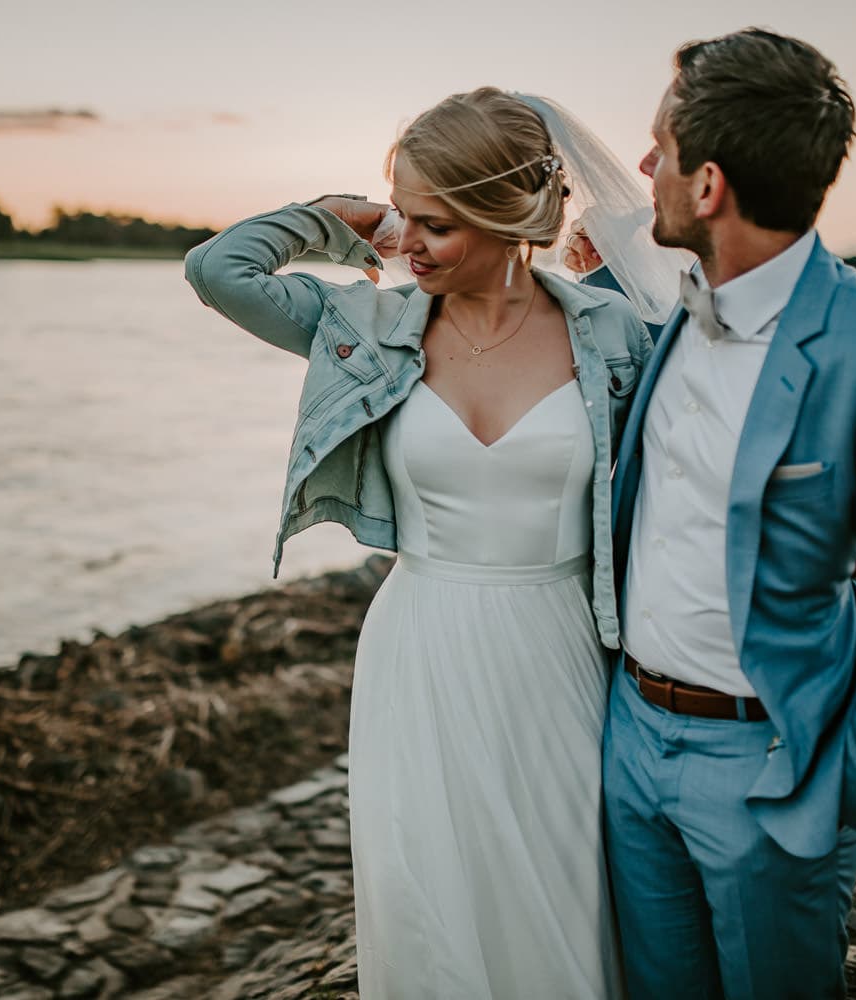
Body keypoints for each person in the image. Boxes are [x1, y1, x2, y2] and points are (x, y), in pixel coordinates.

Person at [186, 87, 679, 998]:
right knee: (428, 897)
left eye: (436, 225)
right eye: (403, 217)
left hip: (562, 650)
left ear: (508, 218)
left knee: (563, 890)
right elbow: (220, 270)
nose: (407, 246)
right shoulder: (366, 328)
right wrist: (341, 222)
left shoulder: (616, 336)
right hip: (419, 645)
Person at [604, 28, 856, 999]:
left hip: (767, 772)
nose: (644, 167)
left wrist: (838, 798)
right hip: (628, 743)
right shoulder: (677, 312)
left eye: (660, 149)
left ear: (708, 187)